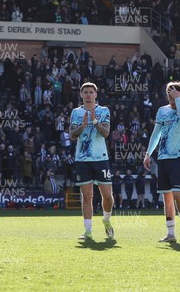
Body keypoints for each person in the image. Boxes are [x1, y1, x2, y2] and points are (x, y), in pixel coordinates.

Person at [143, 81, 180, 243]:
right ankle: (170, 233)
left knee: (176, 193)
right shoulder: (162, 111)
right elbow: (156, 134)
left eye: (174, 92)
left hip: (179, 157)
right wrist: (148, 153)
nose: (171, 96)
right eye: (169, 93)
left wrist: (178, 100)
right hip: (163, 157)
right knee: (166, 197)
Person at [69, 82, 114, 240]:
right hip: (82, 159)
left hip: (101, 158)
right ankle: (87, 230)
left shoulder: (103, 111)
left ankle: (106, 220)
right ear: (81, 95)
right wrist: (83, 125)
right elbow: (72, 135)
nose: (88, 95)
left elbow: (106, 133)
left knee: (107, 196)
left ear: (96, 95)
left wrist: (94, 121)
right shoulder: (76, 112)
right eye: (85, 92)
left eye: (91, 92)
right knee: (87, 196)